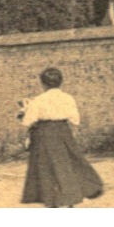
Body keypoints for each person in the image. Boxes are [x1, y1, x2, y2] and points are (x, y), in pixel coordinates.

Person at [19, 67, 104, 207]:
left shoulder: (39, 100)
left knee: (47, 167)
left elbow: (28, 121)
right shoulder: (68, 98)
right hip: (63, 132)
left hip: (44, 133)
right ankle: (71, 198)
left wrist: (24, 111)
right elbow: (75, 119)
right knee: (67, 164)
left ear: (43, 84)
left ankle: (52, 201)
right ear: (60, 82)